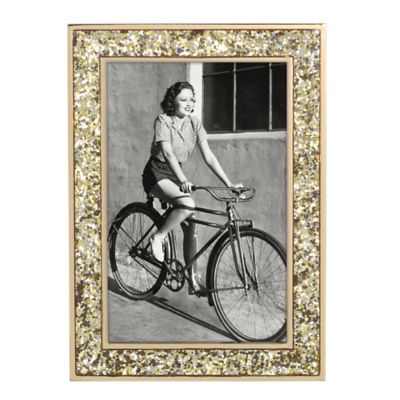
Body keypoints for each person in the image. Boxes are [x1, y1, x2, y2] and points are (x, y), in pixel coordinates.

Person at [142, 81, 242, 294]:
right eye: (183, 99)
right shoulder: (163, 120)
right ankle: (158, 237)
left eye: (192, 99)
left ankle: (192, 280)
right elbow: (167, 153)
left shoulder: (194, 124)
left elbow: (209, 157)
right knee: (188, 204)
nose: (189, 103)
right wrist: (183, 180)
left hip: (175, 173)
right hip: (157, 173)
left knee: (191, 223)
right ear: (173, 101)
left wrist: (229, 183)